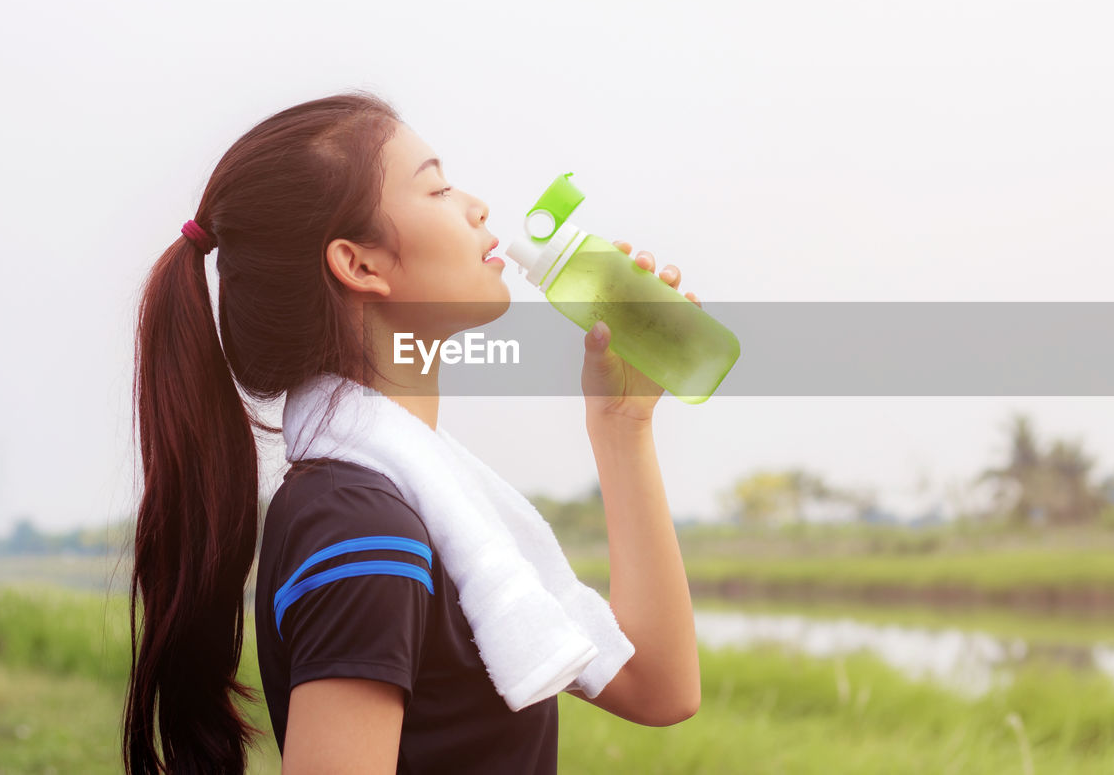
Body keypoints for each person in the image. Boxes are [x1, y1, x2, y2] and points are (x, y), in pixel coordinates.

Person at [123, 92, 701, 774]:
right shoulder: (361, 526)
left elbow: (661, 685)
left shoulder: (410, 503)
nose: (477, 206)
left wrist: (622, 424)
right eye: (438, 186)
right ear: (360, 264)